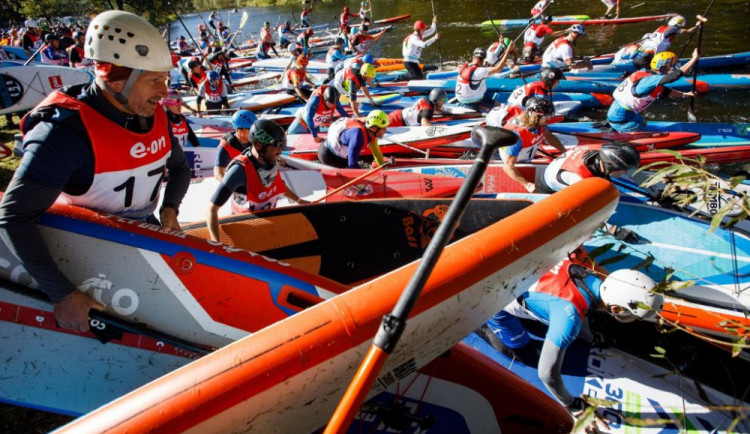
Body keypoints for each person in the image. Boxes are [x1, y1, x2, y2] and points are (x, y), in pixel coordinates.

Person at [0, 10, 190, 333]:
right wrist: (62, 294)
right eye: (153, 80)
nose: (164, 91)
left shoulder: (152, 115)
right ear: (115, 76)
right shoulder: (62, 134)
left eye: (165, 79)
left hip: (145, 244)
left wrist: (170, 209)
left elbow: (180, 170)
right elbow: (13, 217)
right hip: (87, 265)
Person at [487, 248, 664, 415]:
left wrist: (588, 337)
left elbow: (582, 304)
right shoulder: (568, 321)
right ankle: (482, 326)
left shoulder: (582, 260)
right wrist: (570, 403)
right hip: (495, 303)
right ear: (617, 310)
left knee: (557, 319)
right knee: (523, 354)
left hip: (516, 279)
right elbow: (546, 373)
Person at [207, 119, 308, 241]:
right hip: (246, 232)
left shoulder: (270, 159)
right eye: (276, 147)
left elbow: (277, 185)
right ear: (259, 145)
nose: (280, 152)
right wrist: (216, 243)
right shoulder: (238, 171)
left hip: (268, 225)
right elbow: (212, 209)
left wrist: (299, 200)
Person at [607, 49, 700, 132]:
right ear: (662, 68)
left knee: (643, 122)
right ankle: (620, 132)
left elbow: (664, 91)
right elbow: (674, 76)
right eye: (671, 67)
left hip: (625, 112)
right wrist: (694, 59)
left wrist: (685, 95)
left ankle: (617, 127)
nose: (673, 69)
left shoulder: (646, 74)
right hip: (620, 116)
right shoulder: (649, 80)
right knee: (647, 135)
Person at [497, 96, 566, 192]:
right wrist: (527, 185)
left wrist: (564, 152)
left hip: (525, 160)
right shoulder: (517, 136)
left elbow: (549, 136)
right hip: (514, 167)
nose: (547, 120)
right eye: (546, 117)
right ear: (535, 116)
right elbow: (508, 167)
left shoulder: (539, 124)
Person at [539, 142, 640, 192]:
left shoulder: (601, 149)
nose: (626, 173)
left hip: (558, 168)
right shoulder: (580, 180)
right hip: (548, 185)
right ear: (610, 166)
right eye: (624, 170)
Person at [318, 109, 389, 169]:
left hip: (342, 155)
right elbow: (352, 164)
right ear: (374, 128)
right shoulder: (358, 136)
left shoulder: (372, 133)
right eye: (383, 128)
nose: (386, 131)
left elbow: (377, 154)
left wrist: (383, 168)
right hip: (329, 156)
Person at [455, 46, 514, 111]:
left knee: (495, 101)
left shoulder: (464, 66)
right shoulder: (479, 71)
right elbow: (498, 69)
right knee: (503, 107)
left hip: (462, 99)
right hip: (473, 103)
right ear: (483, 60)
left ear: (473, 57)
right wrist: (508, 51)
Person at [214, 110, 258, 180]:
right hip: (235, 178)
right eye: (251, 129)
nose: (255, 131)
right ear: (240, 131)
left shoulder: (253, 139)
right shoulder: (226, 145)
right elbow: (219, 173)